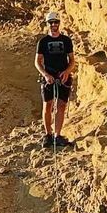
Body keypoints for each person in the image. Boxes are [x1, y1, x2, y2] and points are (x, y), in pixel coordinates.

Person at [35, 12, 75, 147]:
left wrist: (67, 72)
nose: (53, 25)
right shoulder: (43, 42)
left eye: (56, 22)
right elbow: (38, 61)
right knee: (48, 105)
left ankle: (58, 135)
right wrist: (46, 74)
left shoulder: (66, 40)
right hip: (49, 77)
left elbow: (72, 60)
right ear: (47, 24)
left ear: (59, 23)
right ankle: (48, 134)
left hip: (63, 77)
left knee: (61, 106)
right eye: (51, 22)